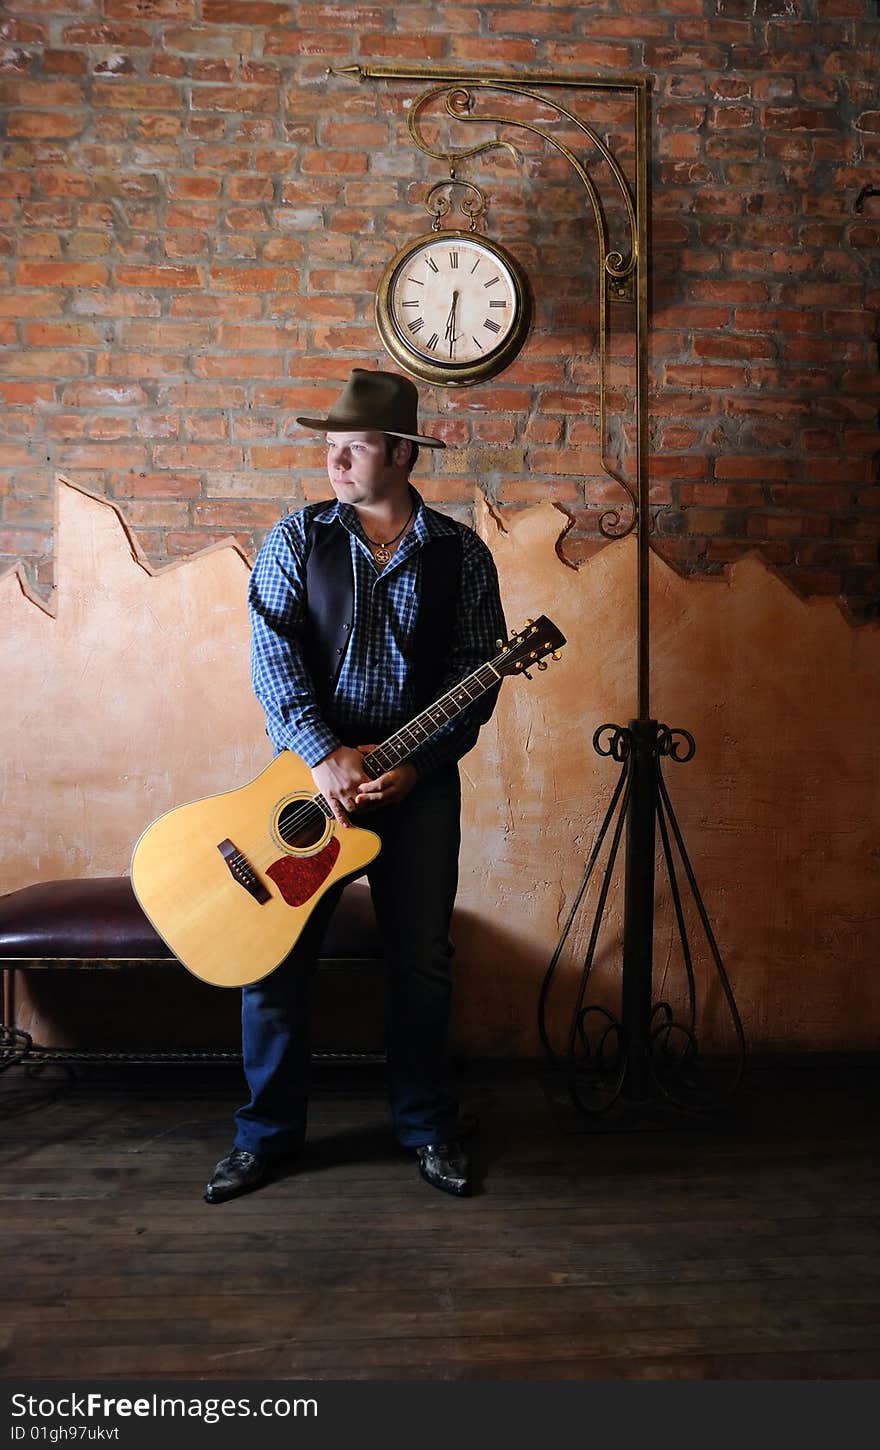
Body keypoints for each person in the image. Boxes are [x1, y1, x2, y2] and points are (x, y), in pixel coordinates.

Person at [205, 367, 507, 1204]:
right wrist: (323, 753)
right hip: (304, 794)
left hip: (418, 793)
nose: (336, 462)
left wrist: (416, 765)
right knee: (275, 962)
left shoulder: (461, 553)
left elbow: (476, 676)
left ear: (404, 453)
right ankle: (264, 1137)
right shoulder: (297, 539)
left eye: (357, 446)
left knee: (422, 963)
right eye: (331, 447)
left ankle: (426, 1127)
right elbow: (274, 662)